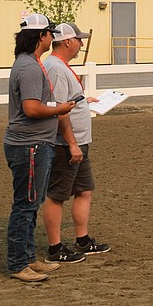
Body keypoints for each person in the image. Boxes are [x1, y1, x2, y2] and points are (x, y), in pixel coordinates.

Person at [4, 13, 77, 282]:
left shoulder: (26, 63)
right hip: (30, 145)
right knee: (25, 205)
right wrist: (61, 108)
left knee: (31, 203)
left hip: (32, 144)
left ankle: (28, 258)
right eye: (49, 33)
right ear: (41, 36)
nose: (51, 37)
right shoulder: (31, 68)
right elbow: (32, 108)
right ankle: (17, 263)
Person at [42, 22, 111, 263]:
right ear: (67, 42)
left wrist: (83, 100)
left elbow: (68, 101)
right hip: (66, 143)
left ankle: (82, 240)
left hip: (79, 141)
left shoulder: (62, 66)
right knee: (57, 195)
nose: (82, 44)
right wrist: (71, 143)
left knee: (84, 190)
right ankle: (55, 248)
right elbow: (59, 109)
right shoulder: (56, 69)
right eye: (78, 40)